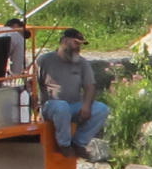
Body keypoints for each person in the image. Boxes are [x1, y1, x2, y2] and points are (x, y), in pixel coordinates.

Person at [33, 26, 107, 154]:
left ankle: (79, 143)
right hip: (51, 105)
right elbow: (31, 83)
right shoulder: (44, 60)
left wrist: (86, 106)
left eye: (80, 45)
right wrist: (34, 107)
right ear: (65, 41)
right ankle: (64, 145)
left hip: (74, 105)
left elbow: (90, 86)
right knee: (62, 107)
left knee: (102, 109)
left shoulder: (82, 63)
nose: (78, 48)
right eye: (76, 43)